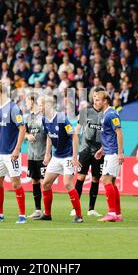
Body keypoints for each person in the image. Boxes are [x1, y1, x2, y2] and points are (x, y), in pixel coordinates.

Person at [0, 80, 27, 224]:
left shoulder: (14, 108)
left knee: (16, 184)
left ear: (0, 92)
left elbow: (22, 128)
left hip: (11, 153)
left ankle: (22, 215)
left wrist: (17, 149)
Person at [36, 95, 83, 223]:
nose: (39, 107)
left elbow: (74, 136)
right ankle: (47, 214)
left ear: (48, 105)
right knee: (45, 184)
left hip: (68, 155)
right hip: (57, 156)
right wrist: (47, 154)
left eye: (40, 105)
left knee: (67, 183)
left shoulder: (62, 118)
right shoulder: (45, 119)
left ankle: (79, 215)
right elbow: (49, 137)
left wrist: (74, 157)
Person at [71, 88, 105, 217]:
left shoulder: (106, 114)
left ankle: (91, 208)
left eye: (98, 98)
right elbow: (78, 128)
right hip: (85, 150)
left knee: (96, 179)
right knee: (81, 177)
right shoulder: (86, 112)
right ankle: (75, 208)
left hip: (99, 152)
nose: (96, 100)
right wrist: (76, 145)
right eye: (94, 97)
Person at [94, 91, 124, 222]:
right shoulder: (106, 114)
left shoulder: (111, 114)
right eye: (94, 100)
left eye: (97, 100)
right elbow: (109, 134)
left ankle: (111, 213)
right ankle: (117, 213)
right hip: (109, 151)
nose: (95, 102)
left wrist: (120, 152)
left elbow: (119, 133)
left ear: (105, 101)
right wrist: (102, 149)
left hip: (113, 152)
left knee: (105, 180)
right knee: (111, 182)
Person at [24, 94, 47, 219]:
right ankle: (38, 210)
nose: (26, 104)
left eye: (27, 101)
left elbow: (49, 134)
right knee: (34, 180)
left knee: (45, 183)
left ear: (33, 102)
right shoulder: (28, 117)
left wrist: (48, 153)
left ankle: (46, 211)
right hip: (31, 154)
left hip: (42, 154)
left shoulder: (43, 117)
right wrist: (27, 136)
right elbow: (24, 133)